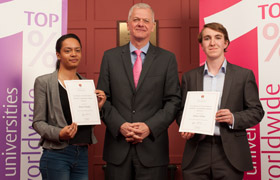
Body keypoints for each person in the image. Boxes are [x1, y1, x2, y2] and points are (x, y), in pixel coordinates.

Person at [97, 3, 181, 180]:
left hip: (153, 149)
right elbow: (102, 99)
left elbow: (173, 101)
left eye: (145, 20)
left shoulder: (167, 59)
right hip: (117, 148)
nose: (140, 24)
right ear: (128, 24)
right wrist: (120, 125)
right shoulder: (110, 57)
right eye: (136, 20)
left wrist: (149, 127)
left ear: (152, 26)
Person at [177, 22, 264, 180]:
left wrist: (234, 118)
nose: (212, 42)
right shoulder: (190, 77)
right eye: (207, 38)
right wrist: (186, 127)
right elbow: (181, 111)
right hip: (197, 151)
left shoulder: (243, 76)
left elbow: (257, 111)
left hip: (230, 153)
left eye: (218, 38)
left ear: (225, 43)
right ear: (202, 45)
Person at [32, 33, 106, 180]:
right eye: (68, 50)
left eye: (77, 50)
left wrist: (97, 107)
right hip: (56, 155)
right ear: (58, 55)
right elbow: (38, 123)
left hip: (82, 154)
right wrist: (59, 133)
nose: (74, 54)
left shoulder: (85, 85)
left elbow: (86, 121)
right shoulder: (44, 82)